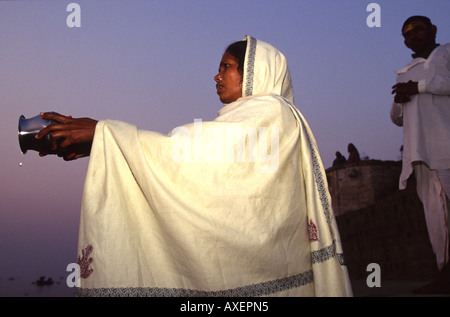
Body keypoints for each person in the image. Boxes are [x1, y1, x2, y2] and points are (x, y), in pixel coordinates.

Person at [36, 36, 352, 297]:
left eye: (226, 67)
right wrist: (103, 145)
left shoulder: (270, 111)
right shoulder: (262, 117)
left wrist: (105, 135)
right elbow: (211, 170)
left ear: (256, 71)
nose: (216, 77)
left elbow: (189, 155)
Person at [390, 16, 450, 294]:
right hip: (420, 153)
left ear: (433, 30)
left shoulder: (446, 53)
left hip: (446, 146)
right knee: (435, 216)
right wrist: (399, 100)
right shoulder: (405, 71)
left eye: (417, 30)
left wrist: (419, 87)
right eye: (406, 34)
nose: (412, 37)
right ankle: (444, 272)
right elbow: (396, 119)